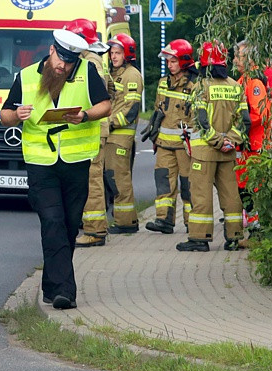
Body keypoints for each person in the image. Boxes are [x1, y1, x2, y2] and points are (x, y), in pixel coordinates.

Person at [0, 28, 111, 309]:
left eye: (69, 62)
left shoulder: (87, 72)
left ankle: (50, 286)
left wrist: (84, 115)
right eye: (60, 59)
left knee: (70, 224)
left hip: (75, 161)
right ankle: (64, 291)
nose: (63, 66)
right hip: (41, 163)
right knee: (52, 220)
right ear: (51, 51)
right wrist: (17, 115)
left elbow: (106, 105)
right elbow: (4, 115)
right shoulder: (26, 76)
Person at [177, 42, 250, 252]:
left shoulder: (200, 87)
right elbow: (244, 121)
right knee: (231, 195)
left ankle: (199, 238)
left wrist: (218, 141)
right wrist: (231, 141)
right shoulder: (236, 87)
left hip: (204, 153)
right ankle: (234, 237)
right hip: (228, 154)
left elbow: (201, 121)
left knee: (201, 194)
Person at [65, 19, 113, 248]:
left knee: (92, 179)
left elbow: (97, 96)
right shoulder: (91, 59)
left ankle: (95, 231)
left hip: (93, 127)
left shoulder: (90, 62)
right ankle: (92, 227)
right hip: (91, 126)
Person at [143, 39, 197, 234]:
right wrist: (154, 134)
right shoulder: (162, 83)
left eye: (173, 61)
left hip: (185, 146)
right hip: (164, 144)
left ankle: (193, 222)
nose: (169, 64)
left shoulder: (194, 86)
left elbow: (198, 118)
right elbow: (159, 110)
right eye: (168, 61)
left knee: (188, 185)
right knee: (164, 182)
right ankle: (164, 220)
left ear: (183, 61)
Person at [104, 33, 143, 234]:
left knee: (120, 180)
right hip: (113, 136)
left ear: (127, 53)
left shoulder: (132, 75)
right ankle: (122, 220)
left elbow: (131, 110)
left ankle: (126, 223)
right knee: (112, 179)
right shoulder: (117, 73)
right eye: (112, 53)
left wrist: (109, 124)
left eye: (118, 53)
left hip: (121, 136)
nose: (114, 56)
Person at [232, 40, 272, 231]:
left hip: (255, 146)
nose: (234, 60)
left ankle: (258, 226)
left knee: (253, 188)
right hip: (245, 146)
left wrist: (237, 127)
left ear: (248, 58)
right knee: (244, 188)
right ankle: (255, 224)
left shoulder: (254, 82)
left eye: (237, 57)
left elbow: (259, 114)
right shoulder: (243, 80)